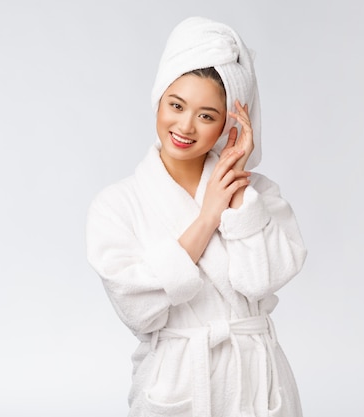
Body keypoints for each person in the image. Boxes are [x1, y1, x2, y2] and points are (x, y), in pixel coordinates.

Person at [86, 16, 307, 417]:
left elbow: (260, 280)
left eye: (206, 115)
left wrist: (239, 188)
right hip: (177, 386)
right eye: (176, 105)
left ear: (229, 123)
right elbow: (137, 310)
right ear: (158, 98)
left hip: (257, 384)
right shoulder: (118, 204)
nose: (185, 126)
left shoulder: (259, 195)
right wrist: (207, 218)